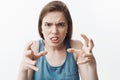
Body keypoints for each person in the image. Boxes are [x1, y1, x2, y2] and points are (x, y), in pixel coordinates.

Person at [18, 1, 98, 80]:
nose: (54, 31)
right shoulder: (34, 48)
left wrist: (92, 67)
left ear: (67, 28)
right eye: (48, 24)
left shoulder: (76, 47)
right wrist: (22, 69)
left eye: (60, 25)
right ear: (41, 27)